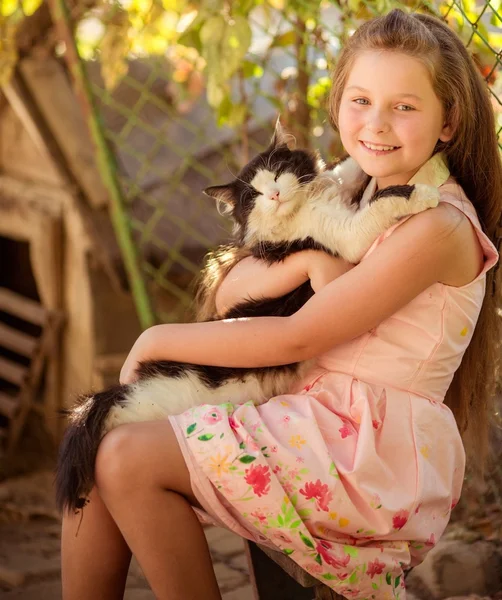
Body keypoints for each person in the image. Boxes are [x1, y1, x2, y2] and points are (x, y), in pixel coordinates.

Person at [60, 9, 501, 600]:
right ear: (339, 103)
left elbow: (298, 337)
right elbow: (232, 287)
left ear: (448, 122)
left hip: (364, 456)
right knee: (94, 437)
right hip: (309, 418)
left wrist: (153, 341)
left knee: (126, 458)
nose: (377, 124)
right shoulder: (356, 184)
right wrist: (303, 264)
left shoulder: (438, 226)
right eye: (361, 100)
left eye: (404, 106)